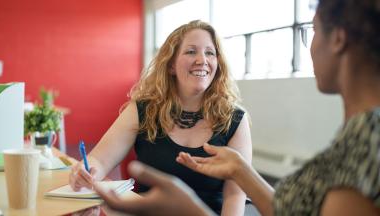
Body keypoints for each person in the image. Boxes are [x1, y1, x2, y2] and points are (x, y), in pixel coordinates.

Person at [94, 0, 380, 215]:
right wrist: (243, 172)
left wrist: (192, 209)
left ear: (338, 39)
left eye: (313, 31)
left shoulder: (368, 140)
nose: (310, 46)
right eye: (191, 51)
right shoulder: (357, 135)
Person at [69, 20, 252, 215]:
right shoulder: (143, 110)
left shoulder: (234, 120)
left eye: (210, 53)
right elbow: (99, 159)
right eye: (191, 51)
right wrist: (85, 172)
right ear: (171, 65)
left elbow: (235, 195)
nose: (202, 59)